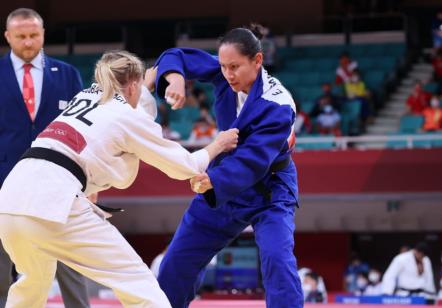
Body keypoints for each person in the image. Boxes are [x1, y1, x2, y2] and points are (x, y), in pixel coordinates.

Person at [0, 50, 238, 307]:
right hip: (54, 201)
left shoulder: (86, 95)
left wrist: (143, 87)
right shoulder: (127, 116)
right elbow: (185, 166)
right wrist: (217, 144)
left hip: (11, 198)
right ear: (134, 84)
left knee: (31, 284)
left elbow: (126, 104)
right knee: (138, 282)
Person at [151, 24, 303, 308]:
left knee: (277, 259)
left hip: (269, 188)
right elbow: (176, 55)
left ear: (257, 61)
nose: (228, 74)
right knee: (176, 261)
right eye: (223, 66)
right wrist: (175, 79)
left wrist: (213, 180)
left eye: (235, 66)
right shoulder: (225, 75)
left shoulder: (278, 104)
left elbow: (254, 161)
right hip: (224, 185)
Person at [0, 8, 89, 308]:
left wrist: (89, 181)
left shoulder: (68, 75)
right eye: (21, 36)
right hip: (4, 180)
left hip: (58, 181)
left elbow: (83, 130)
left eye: (33, 35)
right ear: (8, 36)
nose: (28, 42)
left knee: (70, 261)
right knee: (1, 264)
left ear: (43, 35)